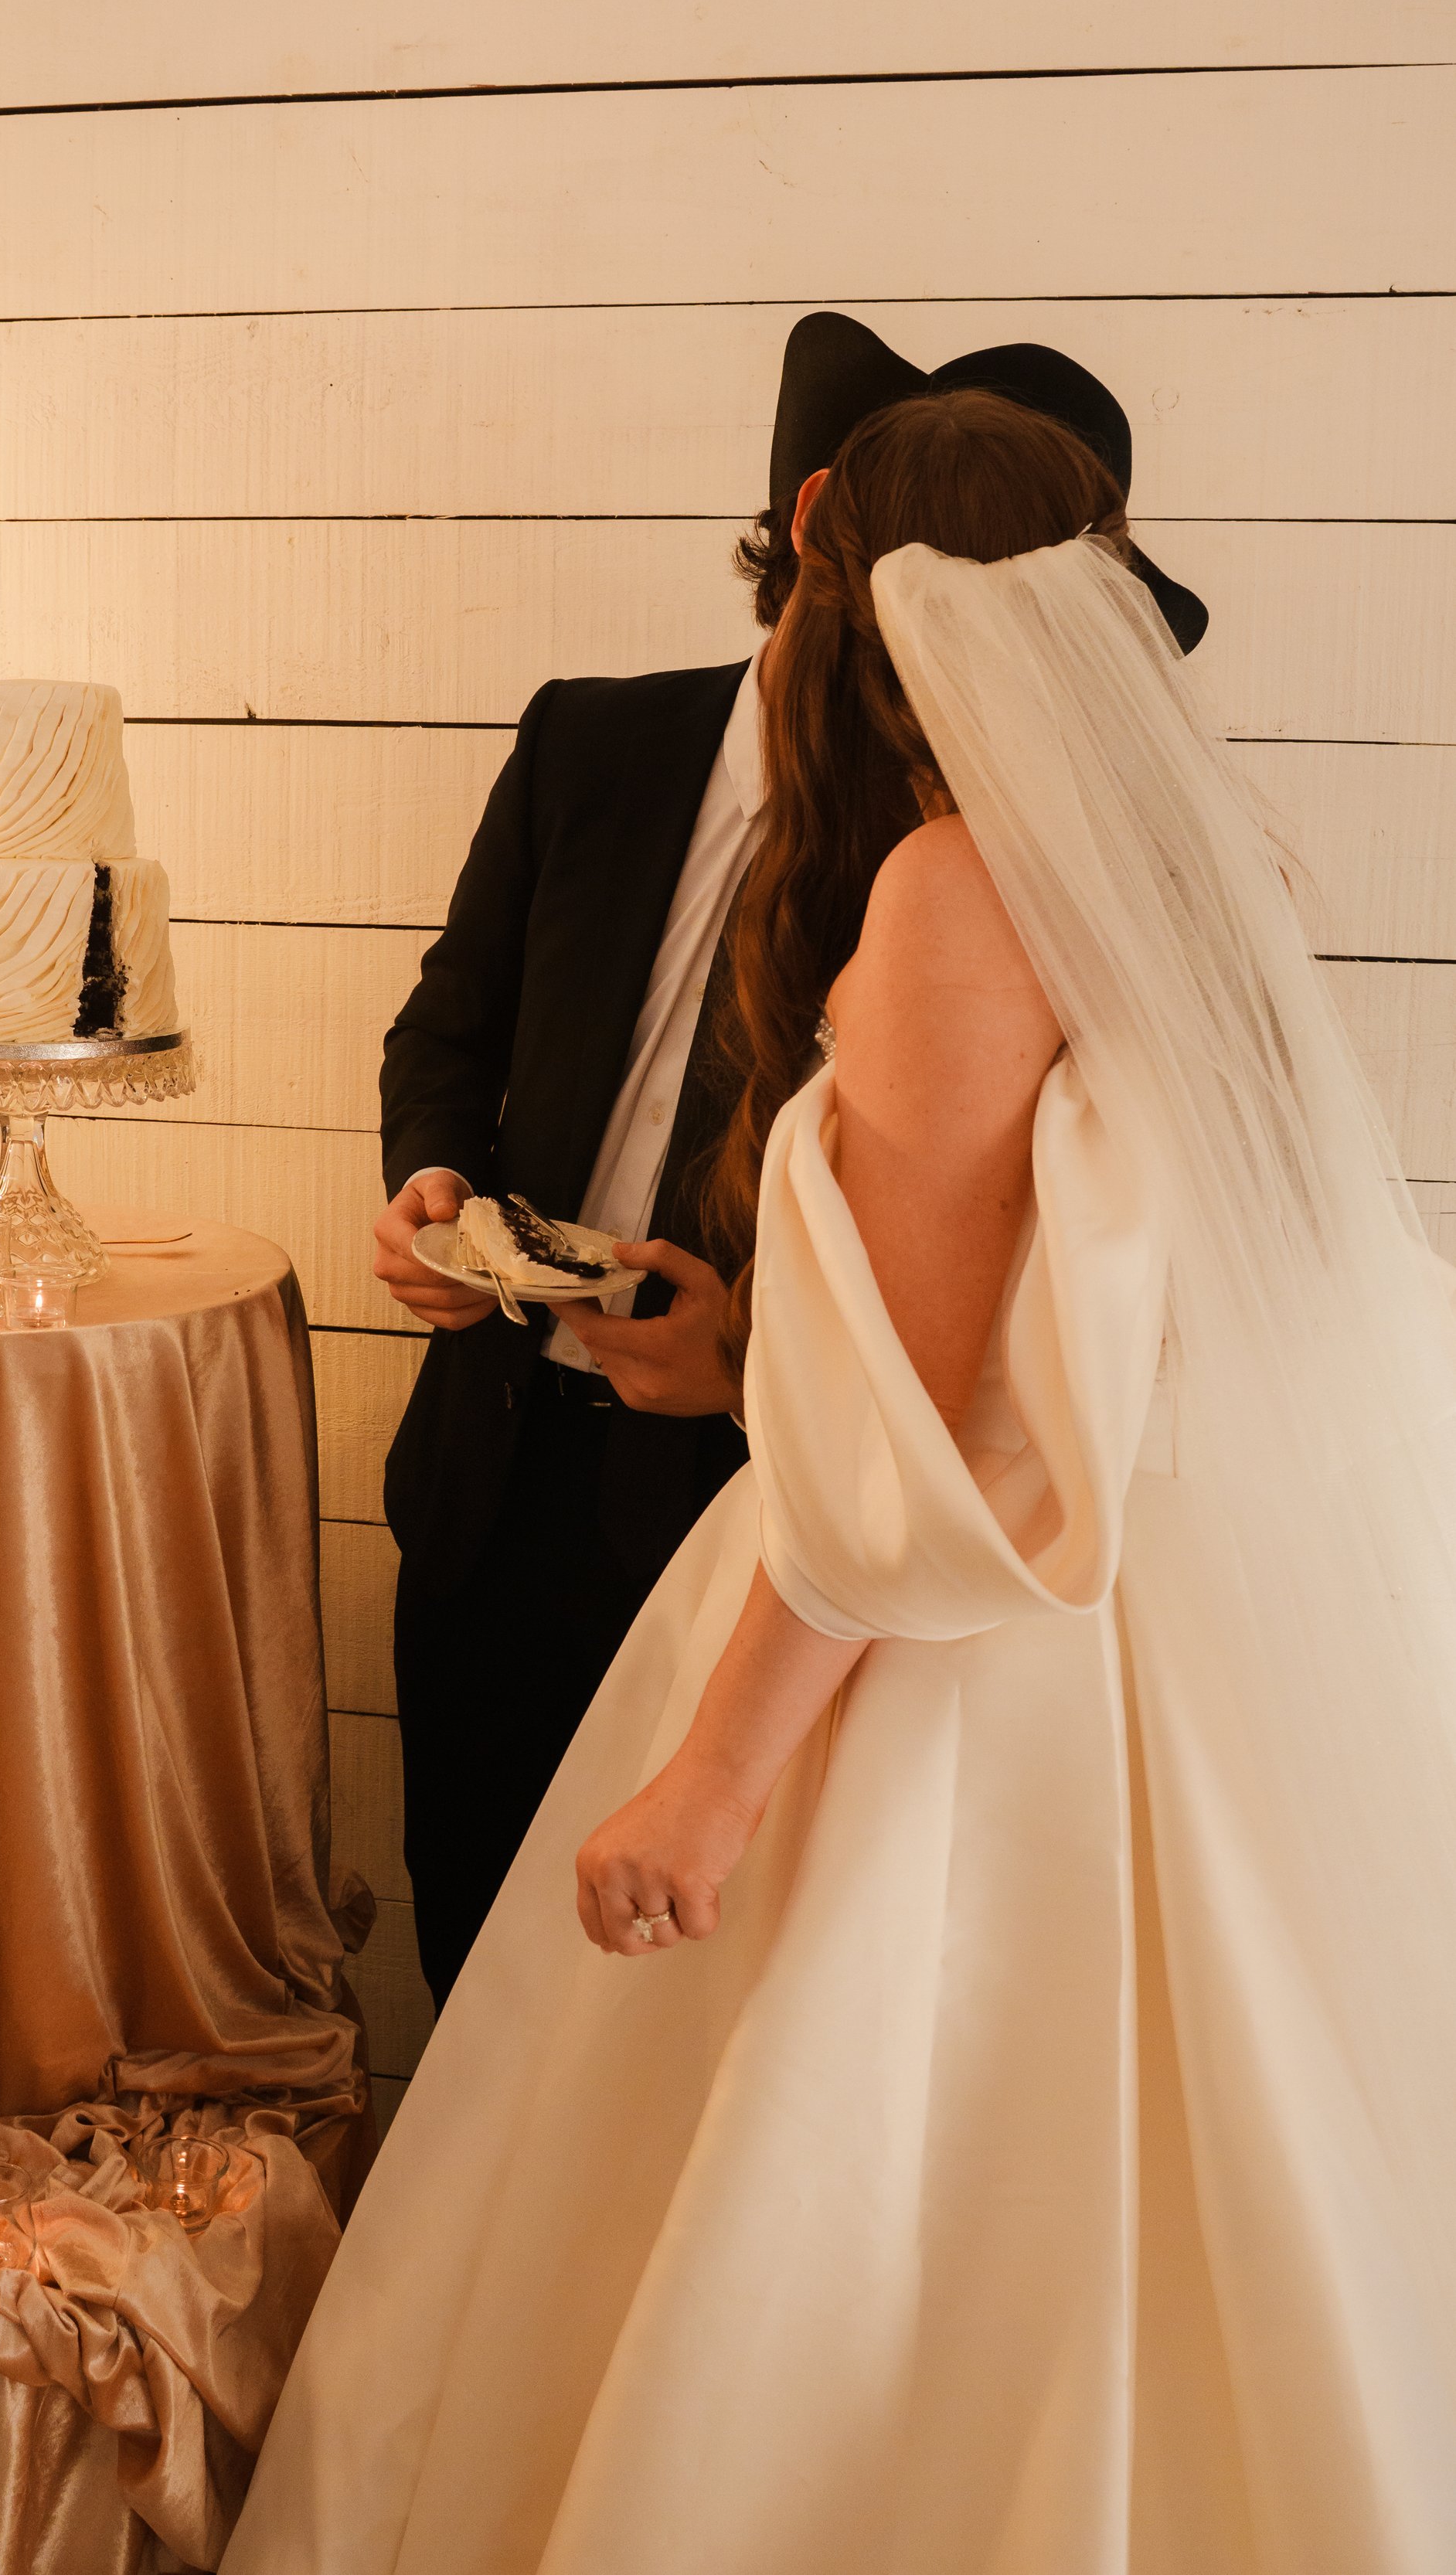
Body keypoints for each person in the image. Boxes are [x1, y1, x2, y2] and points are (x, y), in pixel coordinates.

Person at [226, 391, 1456, 2572]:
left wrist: (707, 1777)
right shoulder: (1208, 853)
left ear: (838, 605)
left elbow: (901, 1451)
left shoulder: (958, 890)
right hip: (1156, 1627)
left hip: (963, 1662)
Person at [375, 310, 1209, 2005]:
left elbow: (962, 1319)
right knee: (475, 1968)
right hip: (492, 1482)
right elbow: (443, 1029)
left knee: (675, 2019)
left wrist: (743, 1359)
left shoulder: (961, 871)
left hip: (756, 1530)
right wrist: (431, 1186)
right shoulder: (586, 742)